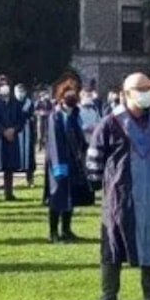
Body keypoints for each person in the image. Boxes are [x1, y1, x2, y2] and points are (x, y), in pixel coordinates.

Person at [87, 73, 150, 300]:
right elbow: (95, 157)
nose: (146, 92)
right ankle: (108, 298)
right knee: (114, 245)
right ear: (126, 94)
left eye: (148, 88)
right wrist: (95, 183)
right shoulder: (111, 122)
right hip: (121, 195)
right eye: (140, 88)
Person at [45, 76, 92, 243]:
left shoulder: (74, 114)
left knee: (70, 196)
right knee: (57, 196)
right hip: (58, 162)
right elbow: (54, 142)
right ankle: (53, 232)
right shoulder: (55, 116)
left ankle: (66, 229)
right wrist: (59, 167)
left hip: (74, 160)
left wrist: (85, 151)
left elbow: (79, 137)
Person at [0, 76, 25, 201]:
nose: (5, 86)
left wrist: (14, 129)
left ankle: (9, 193)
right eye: (2, 84)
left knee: (10, 166)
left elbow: (21, 119)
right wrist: (3, 131)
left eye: (6, 83)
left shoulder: (15, 101)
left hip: (12, 137)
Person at [14, 84, 37, 187]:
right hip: (16, 131)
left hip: (27, 130)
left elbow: (31, 115)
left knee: (29, 156)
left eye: (22, 90)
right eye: (18, 90)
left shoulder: (29, 102)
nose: (20, 93)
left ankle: (30, 179)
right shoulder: (12, 102)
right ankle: (10, 182)